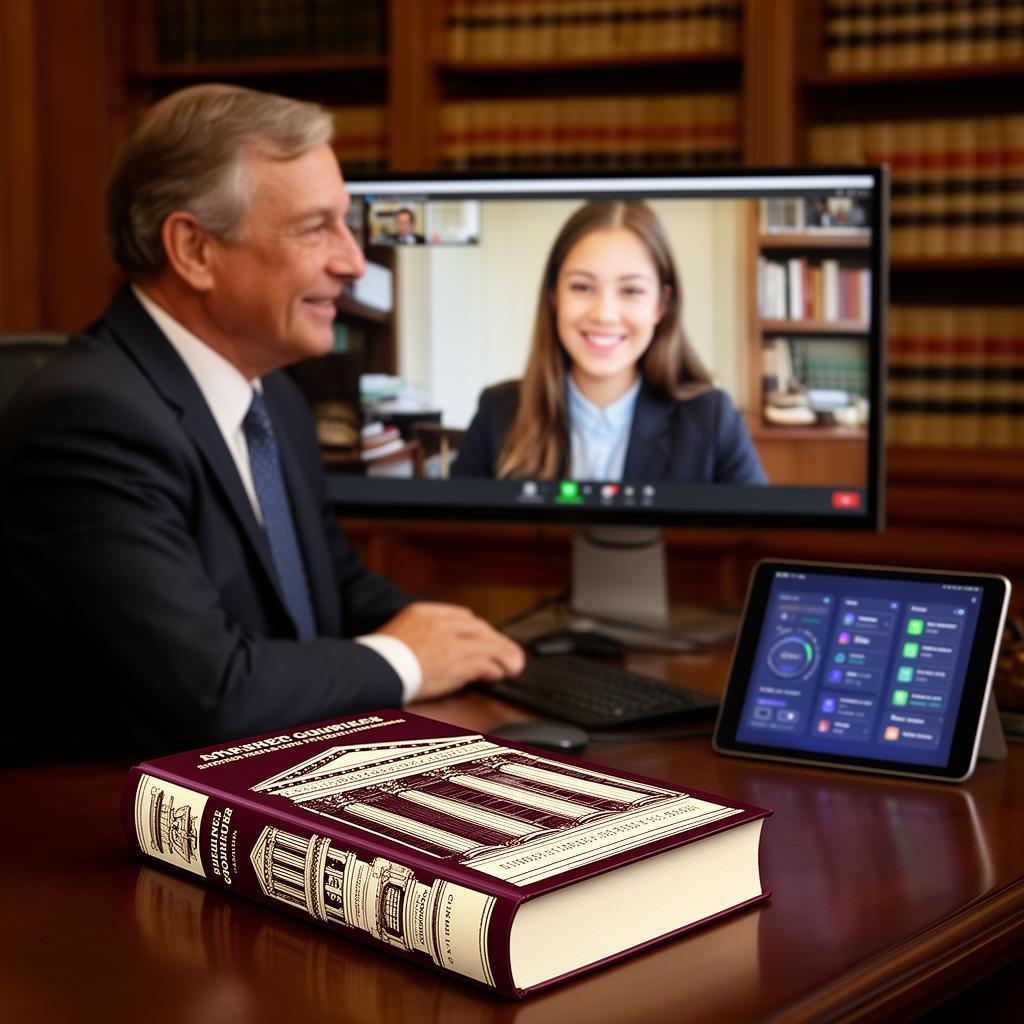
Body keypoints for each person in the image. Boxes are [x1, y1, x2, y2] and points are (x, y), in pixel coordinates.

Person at [0, 84, 522, 760]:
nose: (353, 262)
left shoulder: (272, 396)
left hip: (274, 778)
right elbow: (210, 692)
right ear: (193, 250)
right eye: (315, 228)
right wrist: (407, 659)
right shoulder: (87, 422)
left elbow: (329, 586)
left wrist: (466, 640)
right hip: (104, 830)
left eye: (345, 224)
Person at [451, 200, 767, 483]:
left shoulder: (712, 420)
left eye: (631, 290)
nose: (604, 314)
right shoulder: (497, 411)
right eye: (582, 287)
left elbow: (760, 543)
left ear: (662, 304)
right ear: (553, 297)